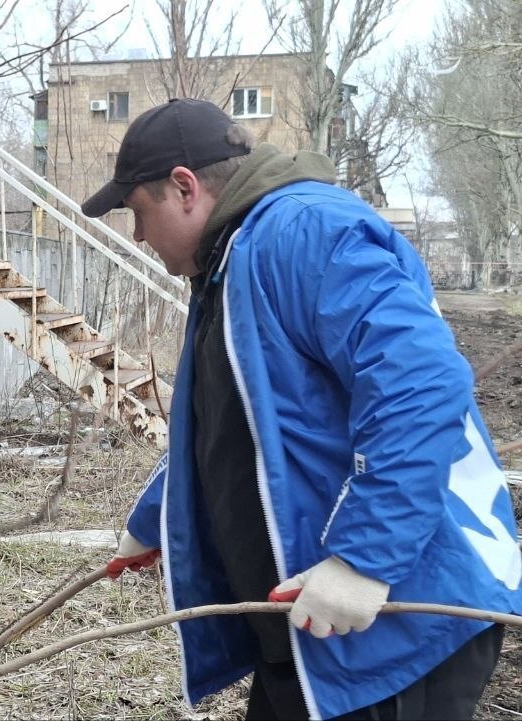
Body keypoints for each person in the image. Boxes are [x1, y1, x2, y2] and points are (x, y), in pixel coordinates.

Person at [88, 99, 522, 720]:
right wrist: (159, 515)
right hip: (319, 632)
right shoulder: (233, 259)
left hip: (394, 625)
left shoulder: (304, 232)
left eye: (138, 211)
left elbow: (419, 383)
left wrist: (363, 560)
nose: (137, 235)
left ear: (183, 187)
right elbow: (240, 420)